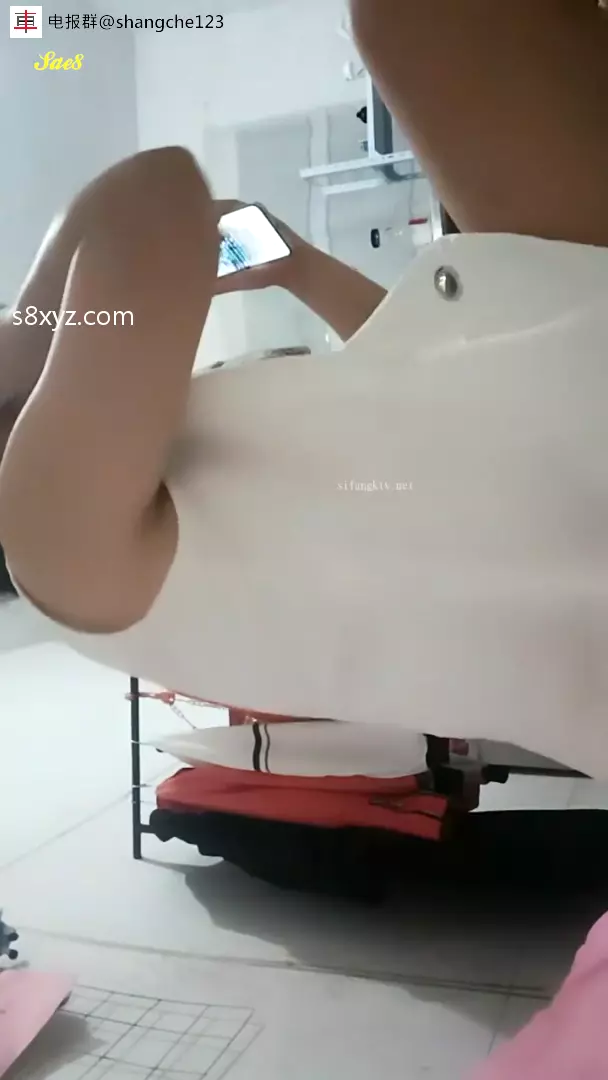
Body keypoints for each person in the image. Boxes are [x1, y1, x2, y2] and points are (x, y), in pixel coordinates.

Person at [0, 0, 607, 778]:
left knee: (414, 24)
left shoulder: (94, 500)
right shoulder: (47, 548)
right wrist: (26, 330)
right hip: (576, 479)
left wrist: (300, 268)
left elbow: (418, 391)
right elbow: (154, 197)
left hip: (557, 419)